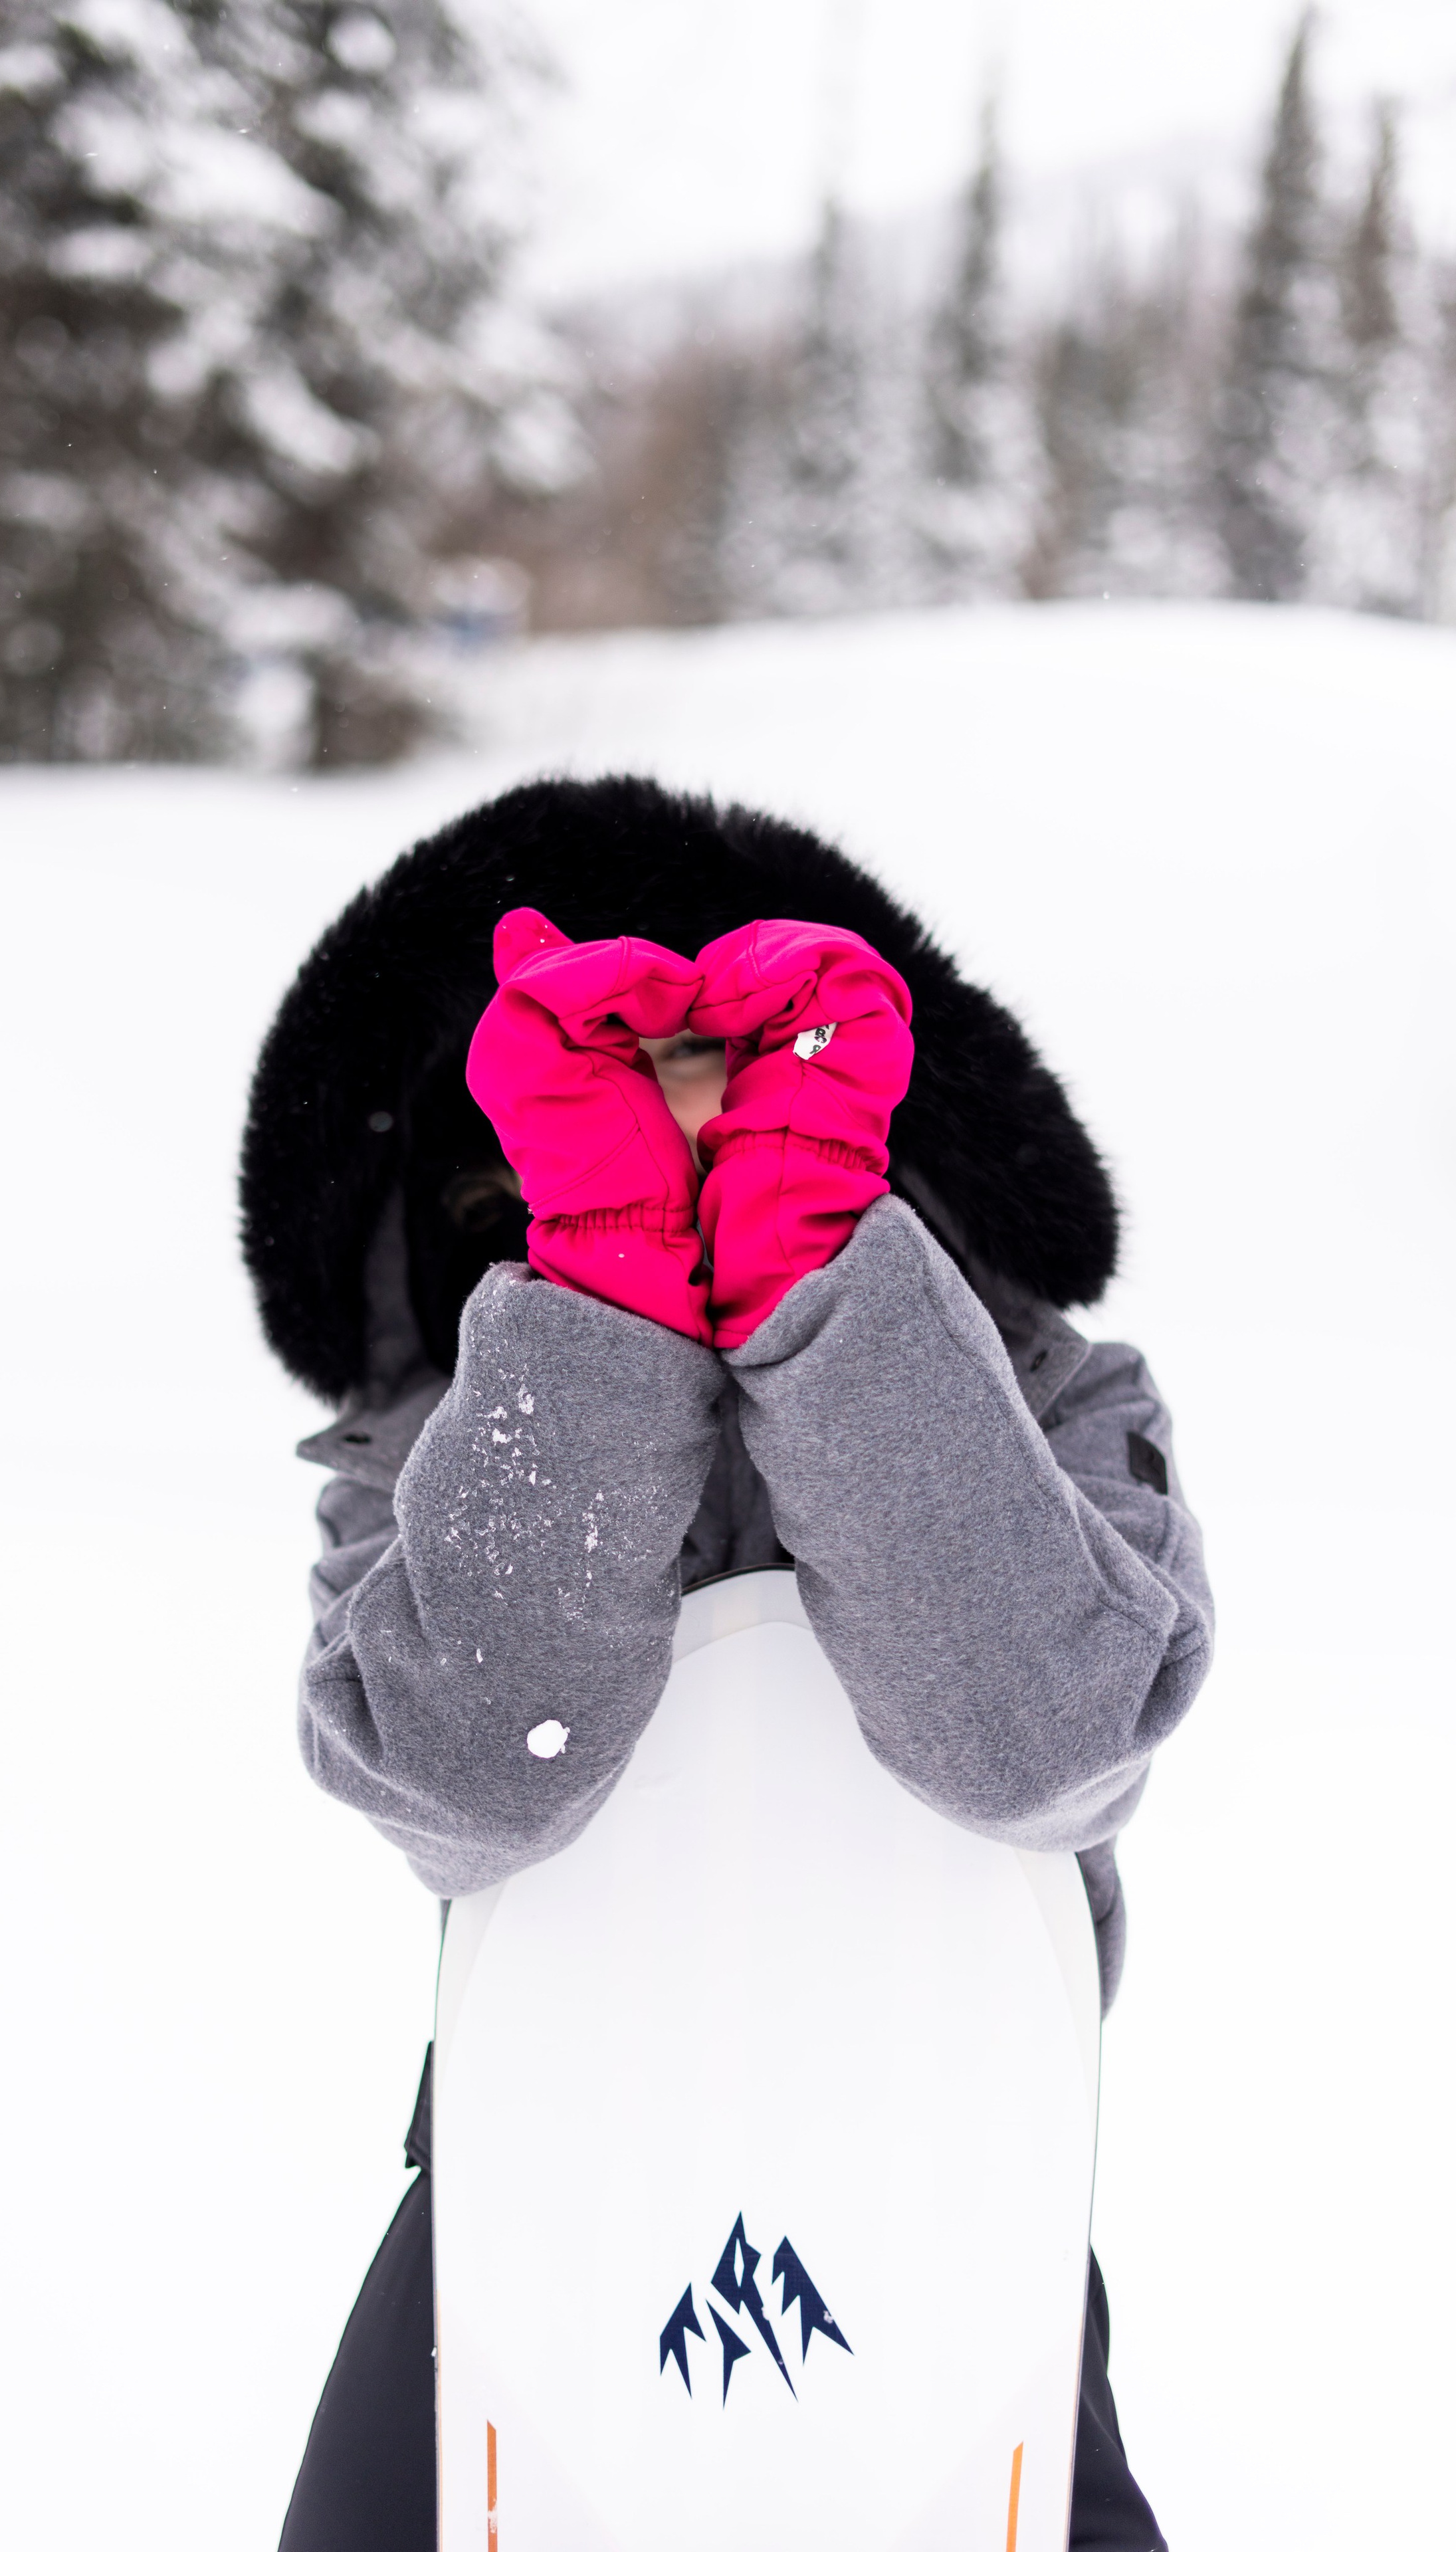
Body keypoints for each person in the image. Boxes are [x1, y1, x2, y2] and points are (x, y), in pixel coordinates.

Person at [240, 773, 1213, 2552]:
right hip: (544, 2180)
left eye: (718, 1077)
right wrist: (604, 1307)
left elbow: (1040, 1742)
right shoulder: (434, 1449)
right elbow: (474, 1774)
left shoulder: (1056, 1408)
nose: (679, 1134)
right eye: (614, 1096)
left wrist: (821, 1280)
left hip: (947, 2178)